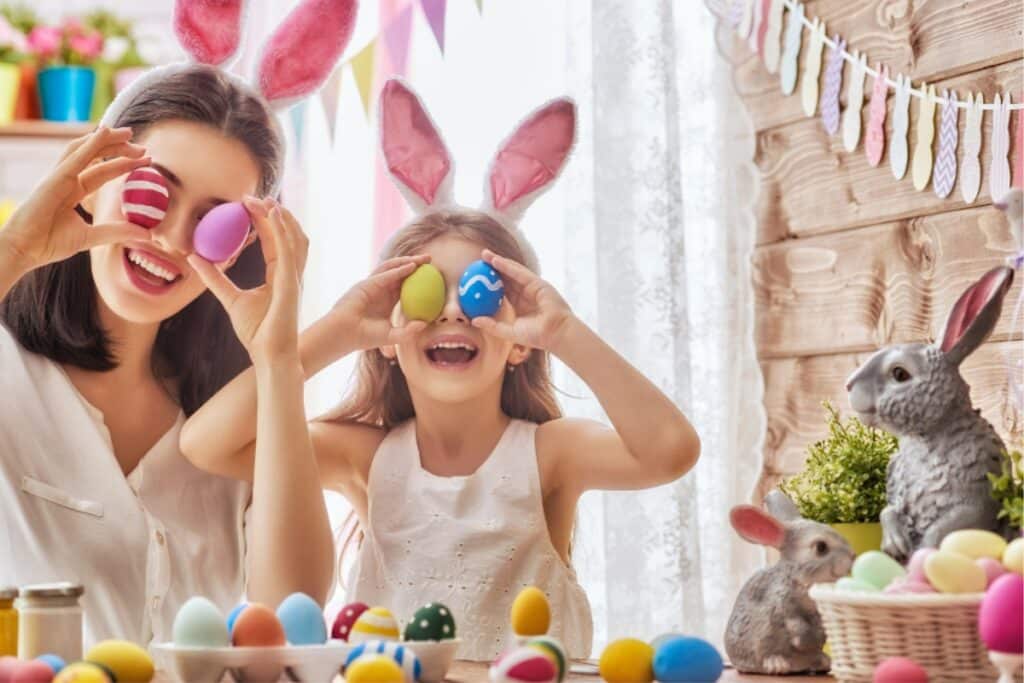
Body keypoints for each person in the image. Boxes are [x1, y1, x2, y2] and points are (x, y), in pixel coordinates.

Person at [182, 80, 702, 660]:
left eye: (480, 294)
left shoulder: (549, 454)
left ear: (519, 342)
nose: (454, 307)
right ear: (386, 335)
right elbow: (206, 445)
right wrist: (336, 330)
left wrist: (566, 333)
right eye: (427, 292)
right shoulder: (364, 458)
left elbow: (670, 451)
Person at [0, 0, 357, 645]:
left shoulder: (234, 413)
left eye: (215, 222)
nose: (170, 238)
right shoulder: (9, 369)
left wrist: (279, 363)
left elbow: (293, 612)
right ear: (90, 178)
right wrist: (14, 254)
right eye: (152, 192)